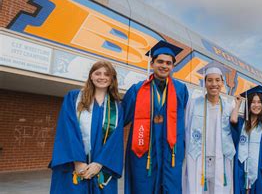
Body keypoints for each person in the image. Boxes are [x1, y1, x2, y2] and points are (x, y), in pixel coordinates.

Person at [122, 40, 189, 193]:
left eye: (168, 63)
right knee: (142, 187)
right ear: (152, 64)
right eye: (160, 61)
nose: (164, 66)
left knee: (170, 187)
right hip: (144, 150)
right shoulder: (137, 89)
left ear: (173, 66)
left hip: (170, 150)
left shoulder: (181, 89)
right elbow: (121, 118)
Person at [50, 60, 124, 193]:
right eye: (97, 73)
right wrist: (78, 161)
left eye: (107, 74)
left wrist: (99, 163)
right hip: (75, 164)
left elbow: (116, 139)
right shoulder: (74, 97)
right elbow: (67, 129)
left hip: (102, 167)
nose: (102, 77)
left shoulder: (117, 106)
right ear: (91, 76)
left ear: (112, 78)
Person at [184, 61, 236, 194]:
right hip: (198, 158)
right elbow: (185, 129)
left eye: (217, 80)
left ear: (222, 83)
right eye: (210, 80)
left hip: (222, 160)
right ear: (205, 82)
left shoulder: (229, 107)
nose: (214, 84)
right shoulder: (194, 104)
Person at [230, 85, 262, 194]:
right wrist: (237, 104)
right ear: (248, 104)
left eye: (259, 102)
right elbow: (233, 120)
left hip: (258, 172)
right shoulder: (242, 123)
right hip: (240, 168)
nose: (256, 105)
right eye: (253, 102)